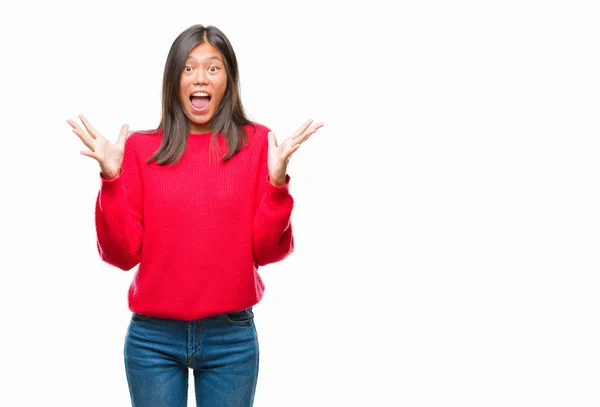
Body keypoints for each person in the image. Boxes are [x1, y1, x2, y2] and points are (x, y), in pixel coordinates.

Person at [67, 24, 323, 407]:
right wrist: (112, 178)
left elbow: (267, 251)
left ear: (228, 80)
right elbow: (122, 256)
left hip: (231, 338)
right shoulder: (140, 148)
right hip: (153, 339)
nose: (200, 77)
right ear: (174, 80)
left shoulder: (257, 144)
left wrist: (276, 182)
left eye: (212, 68)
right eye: (188, 68)